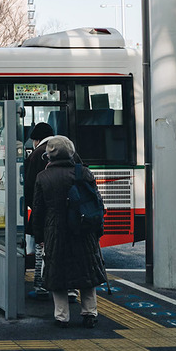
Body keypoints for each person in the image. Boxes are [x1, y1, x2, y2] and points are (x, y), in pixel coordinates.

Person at [30, 134, 108, 329]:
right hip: (83, 230)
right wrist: (98, 230)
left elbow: (38, 210)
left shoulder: (43, 177)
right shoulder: (84, 173)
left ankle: (62, 316)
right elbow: (97, 204)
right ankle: (90, 313)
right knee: (86, 271)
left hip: (55, 230)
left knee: (58, 273)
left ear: (49, 156)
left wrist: (39, 236)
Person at [23, 122, 55, 296]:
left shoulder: (36, 155)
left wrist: (32, 206)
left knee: (40, 247)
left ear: (36, 139)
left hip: (42, 210)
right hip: (64, 211)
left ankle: (41, 285)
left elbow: (29, 186)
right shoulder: (68, 151)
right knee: (64, 249)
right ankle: (71, 289)